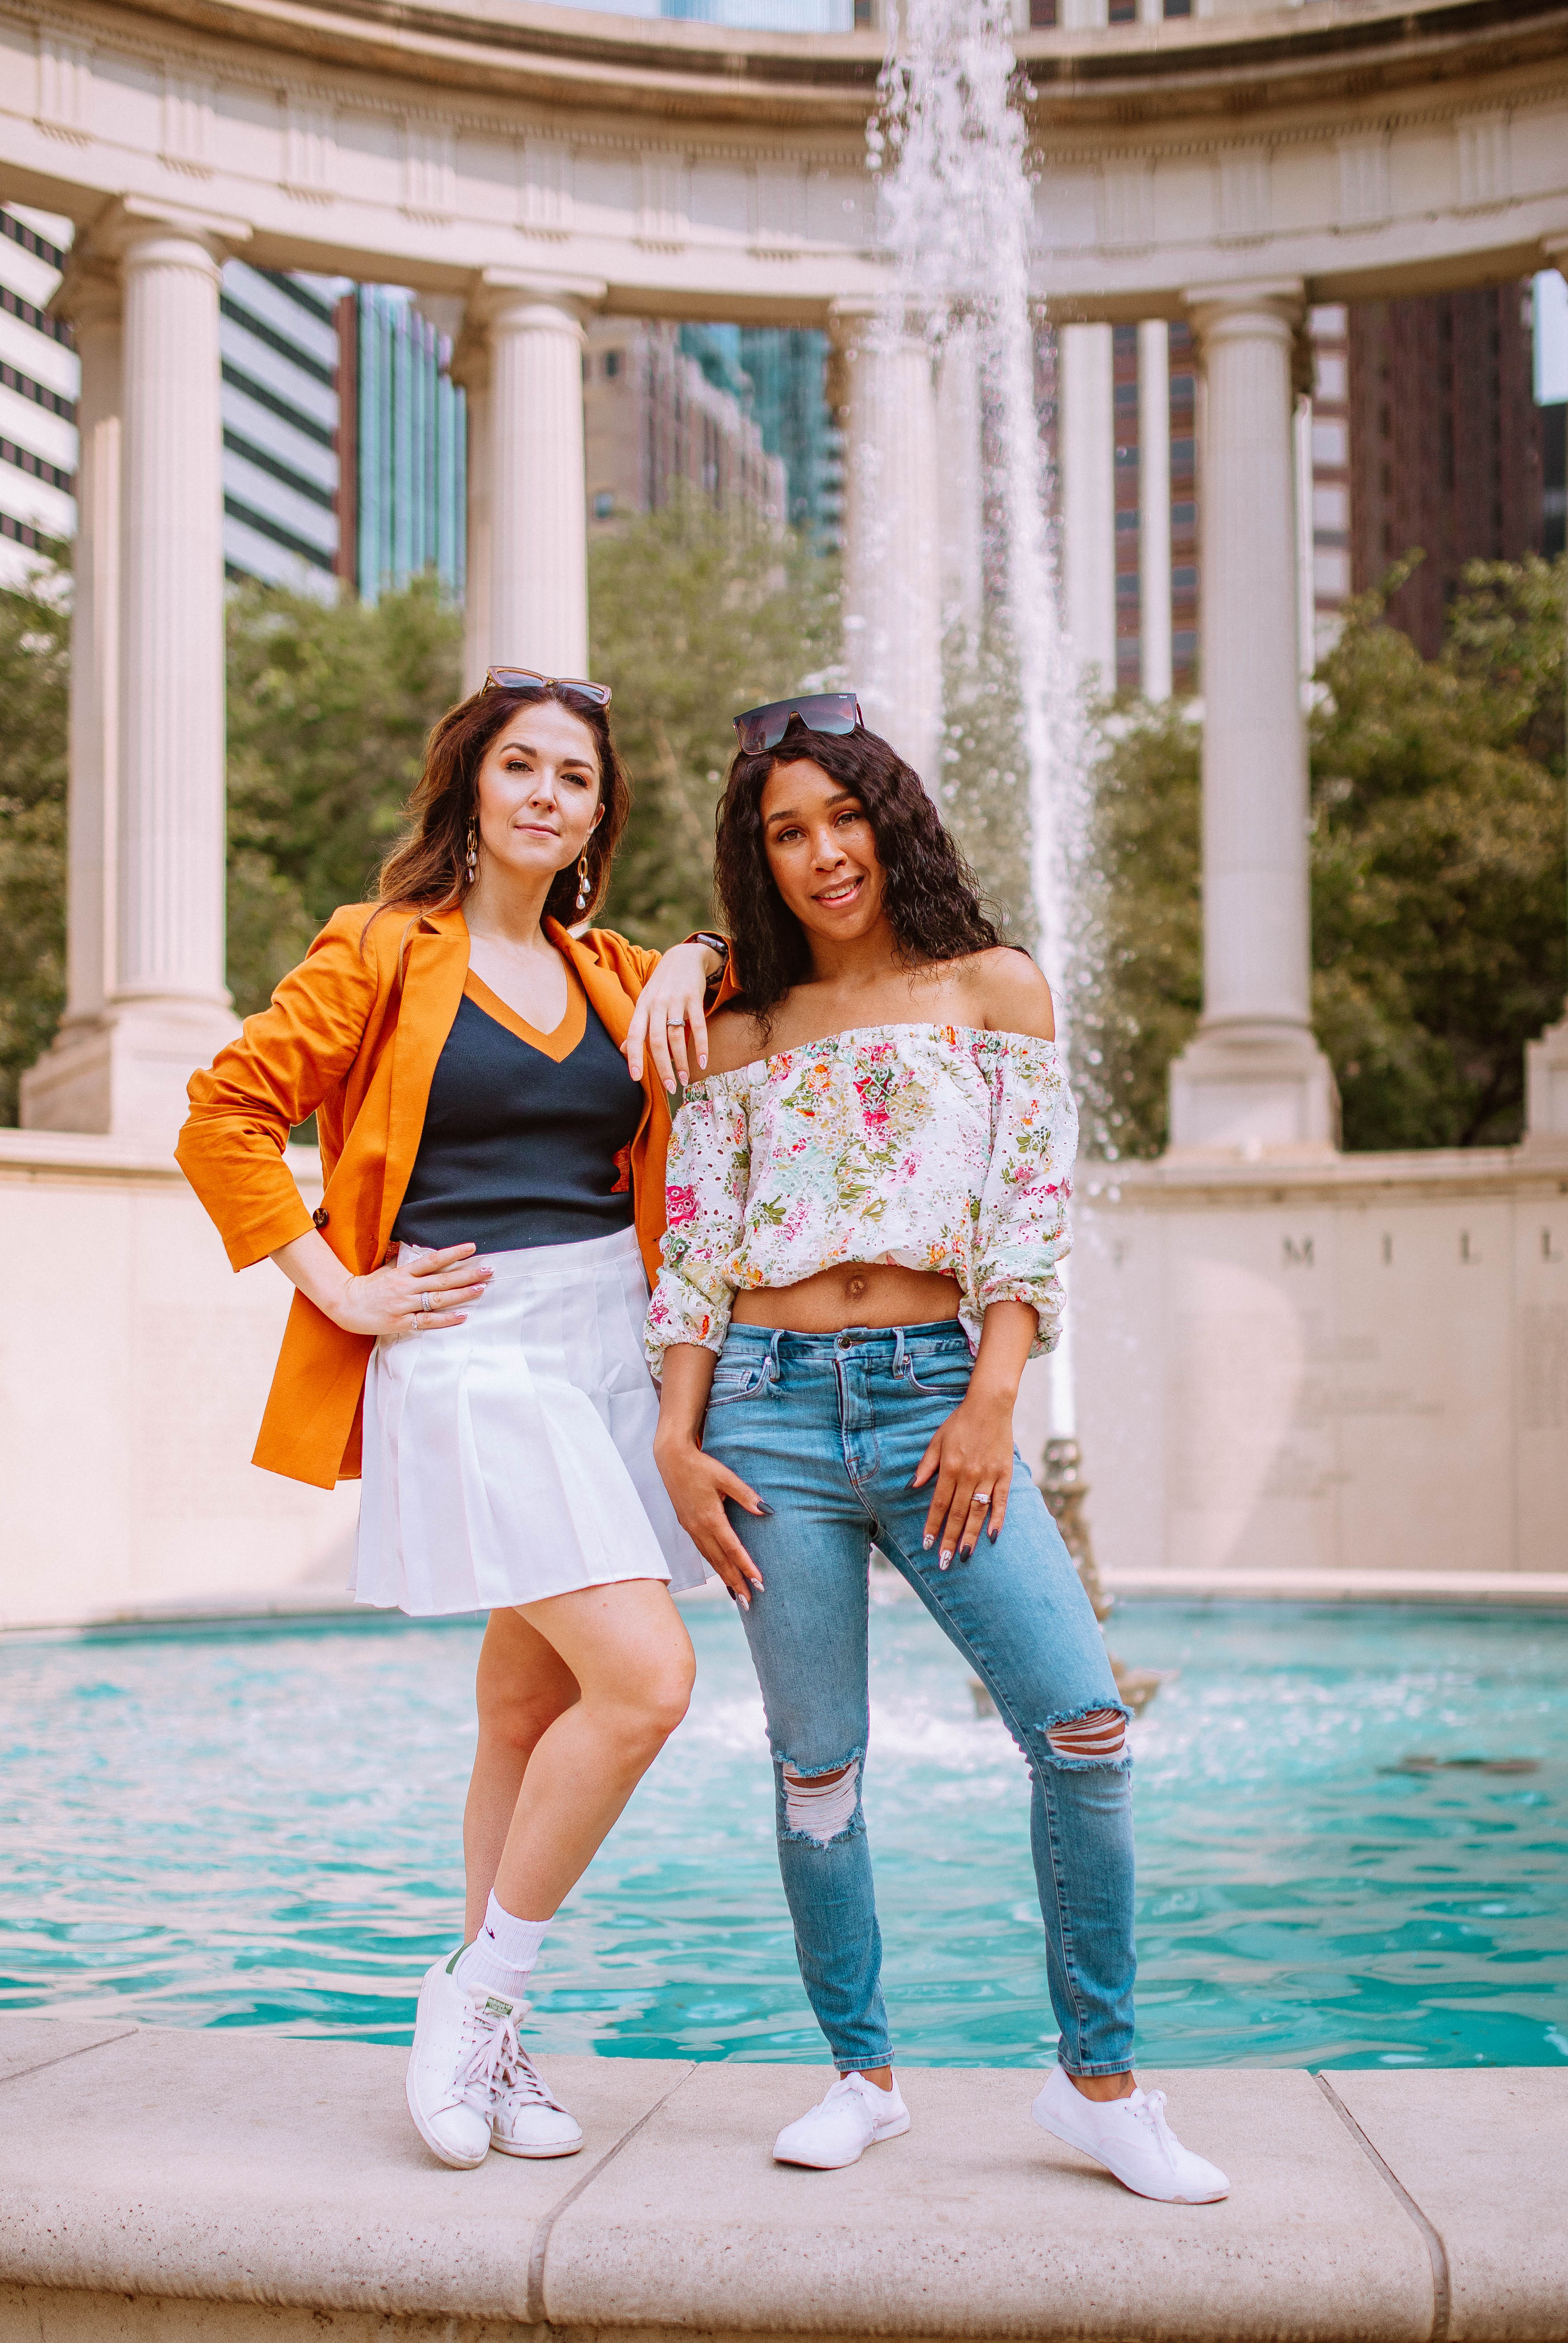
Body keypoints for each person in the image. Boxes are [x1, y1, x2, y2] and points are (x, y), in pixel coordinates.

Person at [648, 693, 1228, 2205]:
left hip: (932, 1397)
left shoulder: (995, 987)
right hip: (764, 1414)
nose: (822, 853)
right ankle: (861, 2076)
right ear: (755, 859)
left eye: (844, 816)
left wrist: (992, 1399)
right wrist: (674, 1433)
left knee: (1083, 1722)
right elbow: (700, 1247)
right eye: (786, 831)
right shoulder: (736, 1029)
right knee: (818, 1769)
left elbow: (1030, 1214)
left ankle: (1099, 2083)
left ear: (889, 821)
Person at [177, 666, 732, 2172]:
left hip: (607, 1345)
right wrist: (338, 1290)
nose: (550, 795)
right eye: (524, 769)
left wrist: (700, 946)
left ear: (599, 814)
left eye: (577, 779)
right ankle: (474, 1995)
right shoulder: (378, 950)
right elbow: (222, 1113)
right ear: (471, 790)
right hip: (466, 1341)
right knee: (646, 1682)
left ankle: (496, 2049)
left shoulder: (622, 970)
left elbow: (774, 971)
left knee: (527, 1705)